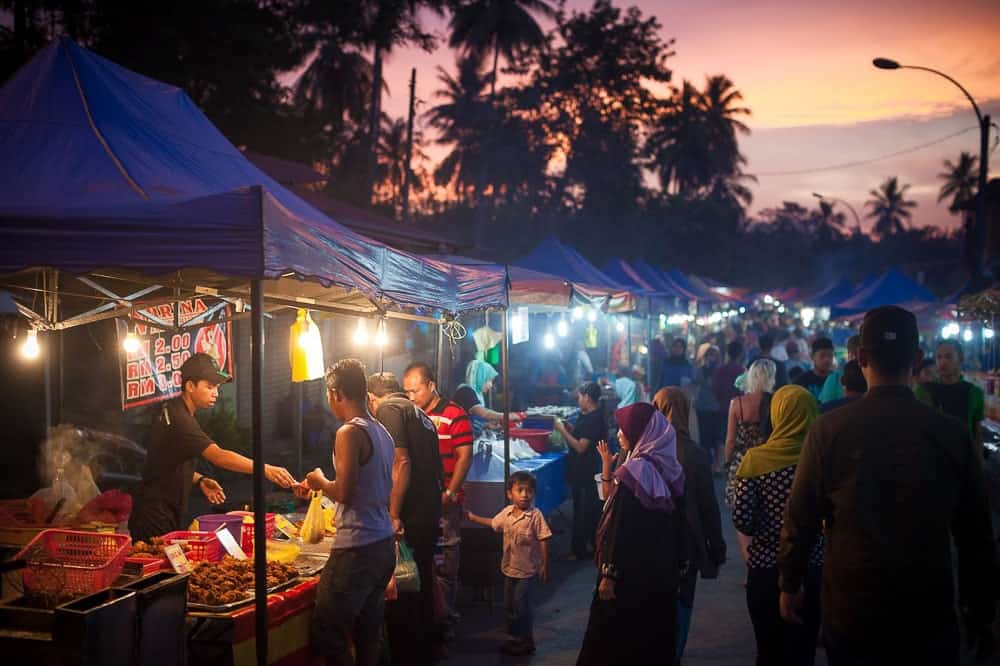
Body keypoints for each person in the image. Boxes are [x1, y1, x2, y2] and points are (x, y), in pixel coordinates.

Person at [779, 306, 996, 665]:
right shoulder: (950, 433)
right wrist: (981, 610)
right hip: (927, 611)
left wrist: (790, 581)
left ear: (861, 357)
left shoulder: (828, 431)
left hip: (852, 611)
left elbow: (800, 516)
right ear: (917, 358)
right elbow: (976, 532)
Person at [129, 353, 296, 541]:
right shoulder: (181, 421)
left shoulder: (175, 410)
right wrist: (263, 469)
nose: (216, 392)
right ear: (190, 386)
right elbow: (219, 456)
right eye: (209, 386)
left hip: (161, 510)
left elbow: (166, 462)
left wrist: (200, 480)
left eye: (217, 387)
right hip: (154, 516)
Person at [300, 359, 396, 666]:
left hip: (357, 548)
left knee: (328, 630)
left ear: (336, 393)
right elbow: (368, 487)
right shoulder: (382, 432)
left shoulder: (348, 433)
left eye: (328, 395)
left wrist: (318, 481)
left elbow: (345, 492)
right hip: (383, 543)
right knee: (368, 631)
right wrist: (321, 488)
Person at [576, 403, 687, 666]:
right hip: (660, 572)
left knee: (614, 641)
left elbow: (620, 526)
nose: (618, 435)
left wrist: (609, 574)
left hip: (631, 574)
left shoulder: (635, 471)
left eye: (623, 429)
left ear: (639, 433)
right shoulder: (668, 465)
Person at [733, 385, 823, 666]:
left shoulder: (755, 460)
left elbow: (743, 520)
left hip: (765, 568)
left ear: (776, 415)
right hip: (813, 566)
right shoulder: (821, 459)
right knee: (804, 651)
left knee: (769, 651)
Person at [367, 372, 442, 665]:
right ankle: (427, 647)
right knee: (421, 580)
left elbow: (402, 461)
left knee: (406, 586)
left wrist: (393, 514)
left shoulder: (389, 409)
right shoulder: (418, 412)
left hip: (412, 513)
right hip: (428, 509)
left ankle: (409, 654)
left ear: (372, 398)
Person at [653, 388, 727, 666]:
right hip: (686, 543)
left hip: (650, 543)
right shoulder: (695, 454)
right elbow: (709, 507)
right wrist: (716, 548)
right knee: (681, 602)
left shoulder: (644, 448)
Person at [401, 362, 473, 641]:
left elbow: (464, 456)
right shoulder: (410, 416)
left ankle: (445, 620)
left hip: (444, 502)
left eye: (415, 391)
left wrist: (450, 492)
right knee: (424, 560)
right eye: (406, 391)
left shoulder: (455, 414)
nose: (411, 397)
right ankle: (429, 616)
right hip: (419, 504)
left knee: (445, 562)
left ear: (431, 385)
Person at [465, 471, 551, 656]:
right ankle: (514, 638)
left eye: (529, 491)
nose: (524, 495)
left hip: (527, 571)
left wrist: (544, 563)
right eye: (519, 490)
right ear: (509, 494)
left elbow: (544, 538)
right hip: (509, 569)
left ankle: (526, 639)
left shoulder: (535, 516)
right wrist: (473, 518)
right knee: (510, 605)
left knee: (522, 605)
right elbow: (494, 524)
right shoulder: (507, 513)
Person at [724, 358, 776, 576]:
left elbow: (730, 440)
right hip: (769, 463)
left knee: (743, 516)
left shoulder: (737, 403)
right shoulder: (776, 402)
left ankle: (751, 565)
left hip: (742, 465)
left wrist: (727, 463)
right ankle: (766, 563)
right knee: (766, 514)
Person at [554, 382, 606, 560]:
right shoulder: (587, 415)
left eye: (580, 396)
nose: (578, 400)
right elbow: (580, 435)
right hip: (581, 472)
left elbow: (581, 447)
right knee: (582, 510)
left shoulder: (595, 419)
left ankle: (581, 551)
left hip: (587, 473)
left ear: (587, 398)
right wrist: (570, 429)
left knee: (585, 512)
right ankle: (586, 547)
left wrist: (562, 431)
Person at [915, 340, 985, 444]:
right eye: (939, 357)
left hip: (964, 455)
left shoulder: (974, 392)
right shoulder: (924, 391)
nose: (943, 362)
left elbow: (977, 433)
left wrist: (978, 459)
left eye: (948, 357)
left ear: (960, 359)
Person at [452, 359, 521, 437]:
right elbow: (484, 413)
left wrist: (486, 425)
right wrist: (506, 416)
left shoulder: (475, 393)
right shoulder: (465, 391)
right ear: (480, 377)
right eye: (489, 380)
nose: (491, 385)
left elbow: (470, 422)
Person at [693, 344, 725, 471]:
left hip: (716, 407)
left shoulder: (720, 370)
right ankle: (706, 464)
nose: (710, 358)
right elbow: (696, 380)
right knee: (704, 438)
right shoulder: (700, 369)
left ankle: (718, 464)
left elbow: (717, 385)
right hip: (702, 406)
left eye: (713, 355)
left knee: (716, 437)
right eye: (708, 355)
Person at [817, 335, 861, 404]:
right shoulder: (876, 377)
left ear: (850, 355)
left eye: (830, 355)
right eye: (822, 355)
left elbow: (826, 408)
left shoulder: (835, 378)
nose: (826, 360)